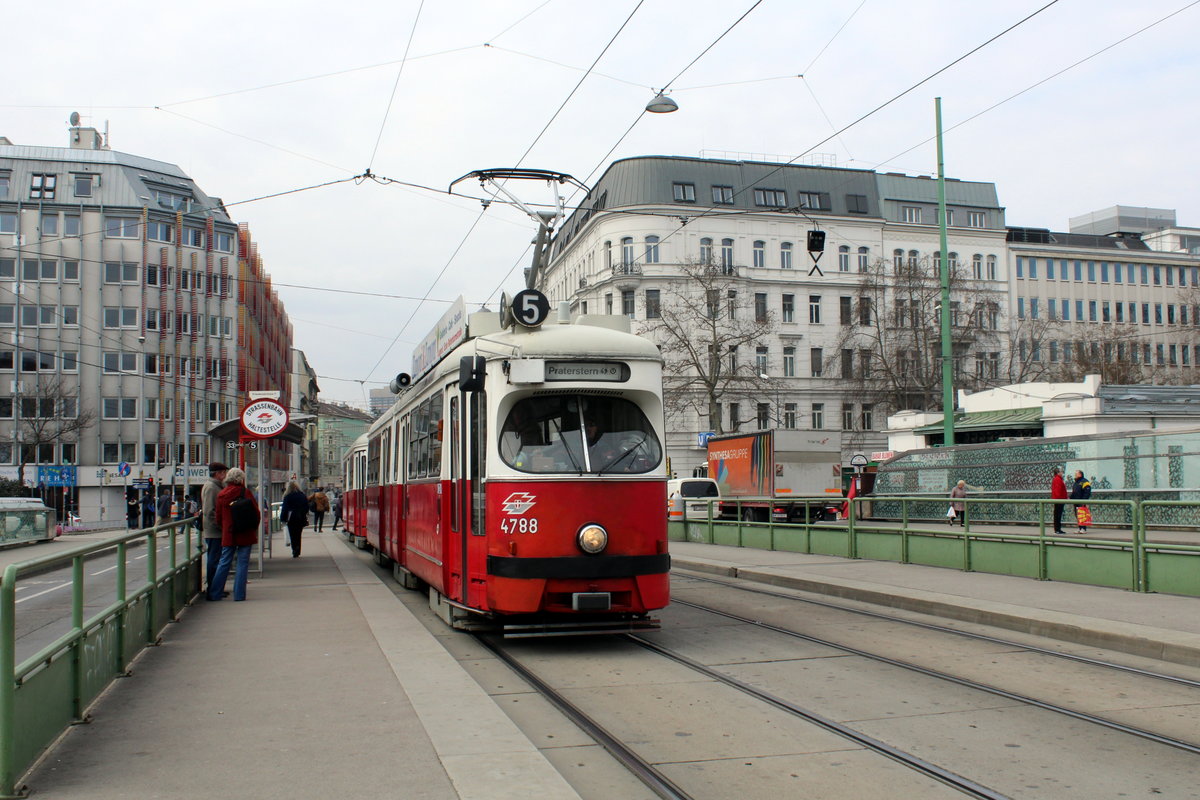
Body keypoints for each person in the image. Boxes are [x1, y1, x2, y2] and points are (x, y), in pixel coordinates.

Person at [208, 468, 259, 602]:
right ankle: (239, 595)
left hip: (228, 533)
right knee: (242, 564)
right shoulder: (245, 492)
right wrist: (253, 528)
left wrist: (224, 527)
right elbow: (256, 513)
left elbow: (218, 517)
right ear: (241, 479)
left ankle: (215, 593)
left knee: (224, 562)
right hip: (245, 532)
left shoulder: (222, 494)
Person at [201, 462, 228, 597]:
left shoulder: (215, 486)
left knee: (216, 559)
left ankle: (215, 588)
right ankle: (213, 589)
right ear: (218, 473)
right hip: (214, 532)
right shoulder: (212, 487)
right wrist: (221, 527)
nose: (225, 475)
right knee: (214, 560)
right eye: (224, 473)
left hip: (214, 530)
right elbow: (209, 511)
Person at [280, 481, 309, 558]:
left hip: (291, 518)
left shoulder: (287, 496)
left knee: (292, 535)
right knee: (298, 534)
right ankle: (298, 549)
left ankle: (294, 550)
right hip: (301, 517)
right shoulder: (302, 495)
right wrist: (303, 513)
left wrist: (283, 518)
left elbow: (285, 509)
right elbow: (306, 507)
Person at [1050, 467, 1068, 534]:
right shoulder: (1058, 479)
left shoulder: (1057, 479)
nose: (1062, 473)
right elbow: (1058, 491)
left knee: (1058, 514)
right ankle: (1057, 529)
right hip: (1059, 500)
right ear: (1058, 473)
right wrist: (1061, 498)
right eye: (1061, 472)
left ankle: (1057, 529)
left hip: (1059, 499)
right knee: (1058, 514)